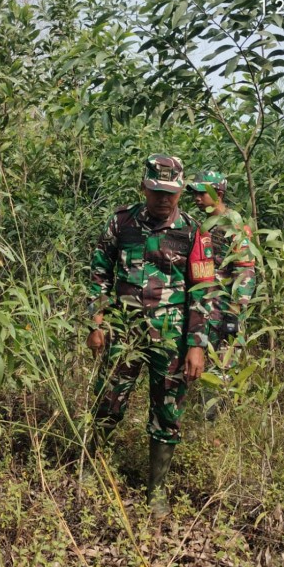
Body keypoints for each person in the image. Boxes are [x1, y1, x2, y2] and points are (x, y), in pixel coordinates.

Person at [85, 154, 215, 518]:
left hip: (170, 339)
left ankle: (156, 491)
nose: (163, 199)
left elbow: (203, 291)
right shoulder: (121, 222)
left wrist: (196, 345)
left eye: (170, 193)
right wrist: (96, 321)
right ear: (143, 186)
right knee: (107, 401)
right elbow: (99, 272)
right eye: (156, 190)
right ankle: (92, 468)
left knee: (167, 413)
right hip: (122, 333)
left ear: (180, 192)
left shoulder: (193, 232)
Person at [186, 171, 257, 421]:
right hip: (202, 310)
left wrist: (234, 314)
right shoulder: (200, 225)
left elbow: (245, 272)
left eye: (202, 192)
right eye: (194, 193)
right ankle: (205, 421)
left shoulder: (233, 226)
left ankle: (219, 426)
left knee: (224, 370)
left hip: (224, 311)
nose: (196, 198)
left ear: (219, 193)